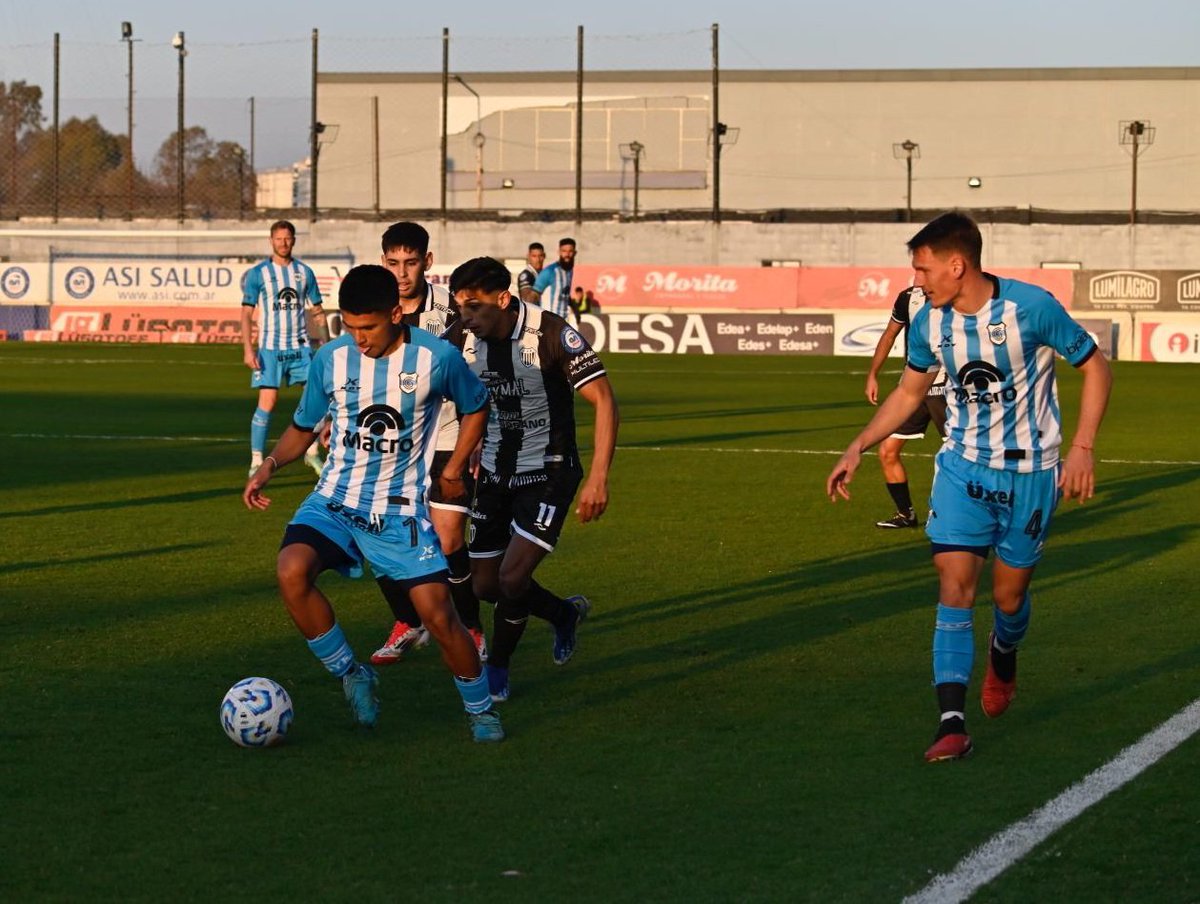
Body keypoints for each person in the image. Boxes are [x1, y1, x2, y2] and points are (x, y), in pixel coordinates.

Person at [825, 212, 1111, 763]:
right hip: (962, 468)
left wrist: (1082, 446)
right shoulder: (929, 322)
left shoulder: (1032, 307)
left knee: (1008, 598)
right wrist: (858, 444)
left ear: (957, 265)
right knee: (954, 586)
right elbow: (910, 394)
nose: (917, 280)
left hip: (1031, 474)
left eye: (922, 269)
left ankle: (1004, 651)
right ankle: (950, 723)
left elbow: (1097, 369)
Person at [242, 264, 503, 743]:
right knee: (291, 571)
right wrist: (270, 465)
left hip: (398, 512)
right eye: (350, 327)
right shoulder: (331, 359)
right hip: (335, 499)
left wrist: (452, 468)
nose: (358, 338)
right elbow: (303, 426)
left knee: (439, 617)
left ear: (396, 314)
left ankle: (481, 711)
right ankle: (352, 674)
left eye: (368, 327)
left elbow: (476, 406)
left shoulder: (436, 358)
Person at [445, 256, 619, 703]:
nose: (465, 317)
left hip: (550, 470)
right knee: (485, 584)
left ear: (503, 299)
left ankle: (498, 668)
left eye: (474, 306)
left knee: (511, 577)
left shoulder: (552, 333)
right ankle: (562, 614)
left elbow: (604, 399)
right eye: (460, 307)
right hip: (494, 471)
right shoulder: (461, 337)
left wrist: (598, 478)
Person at [369, 222, 488, 665]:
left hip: (448, 434)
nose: (402, 273)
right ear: (383, 262)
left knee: (449, 537)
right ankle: (409, 621)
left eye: (411, 262)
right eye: (393, 263)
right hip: (395, 440)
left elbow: (475, 374)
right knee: (376, 534)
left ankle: (471, 628)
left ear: (428, 262)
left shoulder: (452, 311)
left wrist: (477, 435)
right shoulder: (376, 309)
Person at [240, 220, 328, 478]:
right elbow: (246, 314)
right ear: (271, 241)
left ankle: (311, 452)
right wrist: (248, 349)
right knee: (267, 403)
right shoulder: (258, 274)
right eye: (279, 239)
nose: (283, 243)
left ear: (294, 240)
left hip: (300, 348)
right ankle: (256, 460)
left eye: (287, 238)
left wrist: (325, 343)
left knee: (318, 400)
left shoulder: (304, 272)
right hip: (270, 350)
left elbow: (318, 311)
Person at [864, 285, 948, 529]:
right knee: (887, 451)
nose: (919, 275)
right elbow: (890, 334)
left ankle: (955, 513)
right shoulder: (907, 297)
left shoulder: (954, 295)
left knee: (960, 456)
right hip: (912, 388)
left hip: (947, 389)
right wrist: (873, 374)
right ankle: (906, 514)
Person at [532, 237, 577, 324]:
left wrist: (575, 309)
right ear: (559, 252)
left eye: (570, 251)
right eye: (564, 251)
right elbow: (533, 297)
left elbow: (564, 293)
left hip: (563, 321)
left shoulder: (569, 271)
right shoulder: (550, 271)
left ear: (574, 253)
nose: (567, 254)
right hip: (549, 322)